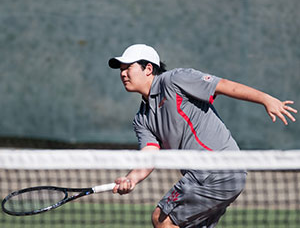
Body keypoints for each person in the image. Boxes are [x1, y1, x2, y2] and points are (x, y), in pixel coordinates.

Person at [108, 44, 297, 228]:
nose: (123, 74)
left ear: (148, 68)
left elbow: (222, 85)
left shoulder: (174, 80)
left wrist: (265, 99)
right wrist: (130, 179)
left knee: (161, 219)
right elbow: (149, 155)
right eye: (121, 70)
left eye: (128, 67)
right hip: (213, 175)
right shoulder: (142, 119)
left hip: (216, 168)